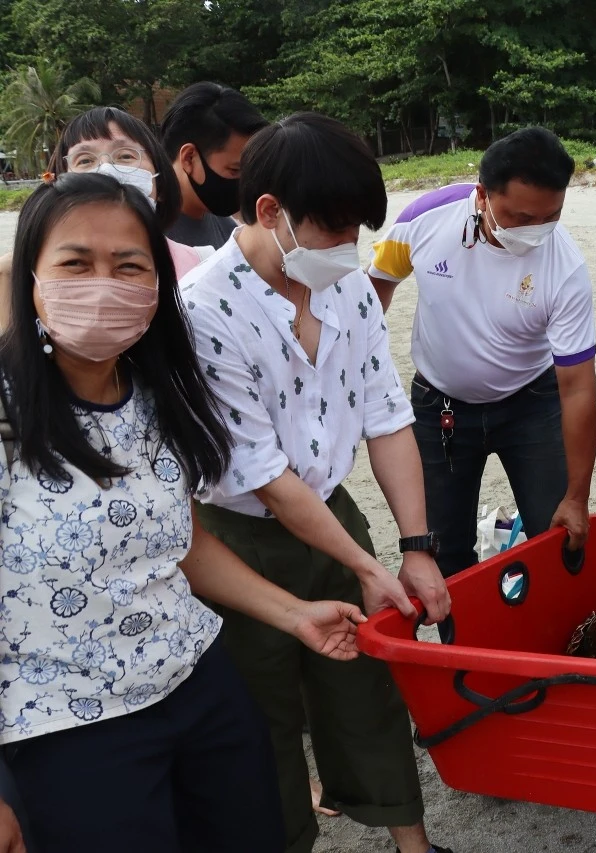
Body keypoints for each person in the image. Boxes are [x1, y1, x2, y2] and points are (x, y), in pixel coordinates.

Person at [0, 172, 368, 852]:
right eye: (76, 263)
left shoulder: (158, 392)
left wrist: (295, 614)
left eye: (129, 265)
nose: (104, 283)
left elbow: (180, 540)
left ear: (156, 285)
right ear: (31, 279)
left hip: (199, 684)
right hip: (63, 726)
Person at [181, 113, 452, 853]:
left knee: (369, 688)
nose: (348, 249)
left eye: (356, 231)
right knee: (261, 714)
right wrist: (368, 566)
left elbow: (389, 417)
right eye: (332, 229)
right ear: (270, 211)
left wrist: (415, 546)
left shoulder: (351, 290)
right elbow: (263, 477)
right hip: (236, 536)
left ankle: (413, 844)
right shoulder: (205, 308)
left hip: (332, 510)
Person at [368, 127, 596, 576]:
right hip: (440, 408)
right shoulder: (425, 219)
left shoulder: (565, 268)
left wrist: (578, 496)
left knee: (557, 540)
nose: (536, 231)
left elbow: (578, 389)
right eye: (520, 217)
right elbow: (375, 290)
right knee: (443, 551)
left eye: (550, 217)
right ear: (482, 196)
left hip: (531, 405)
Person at [0, 106, 203, 330]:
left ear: (161, 182)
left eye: (126, 156)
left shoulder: (201, 265)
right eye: (85, 160)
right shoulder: (16, 273)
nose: (106, 169)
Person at [160, 81, 268, 250]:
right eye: (235, 170)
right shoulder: (145, 232)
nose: (246, 182)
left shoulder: (229, 230)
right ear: (189, 158)